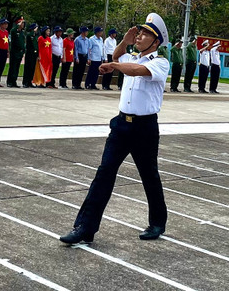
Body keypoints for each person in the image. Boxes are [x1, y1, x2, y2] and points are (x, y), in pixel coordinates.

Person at [59, 13, 171, 245]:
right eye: (139, 33)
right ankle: (85, 228)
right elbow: (119, 56)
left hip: (144, 128)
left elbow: (132, 69)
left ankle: (158, 222)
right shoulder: (130, 56)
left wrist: (114, 64)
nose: (139, 37)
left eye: (145, 35)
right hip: (121, 125)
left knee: (149, 175)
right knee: (104, 173)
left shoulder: (159, 62)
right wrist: (125, 41)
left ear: (156, 41)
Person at [6, 17, 26, 88]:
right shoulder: (14, 31)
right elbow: (13, 31)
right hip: (14, 52)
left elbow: (23, 42)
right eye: (21, 23)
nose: (23, 24)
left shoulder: (21, 33)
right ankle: (10, 82)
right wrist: (18, 25)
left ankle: (14, 81)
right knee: (13, 67)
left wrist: (23, 50)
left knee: (17, 68)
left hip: (20, 53)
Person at [22, 22, 39, 88]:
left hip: (34, 54)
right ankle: (25, 82)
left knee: (32, 68)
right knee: (27, 68)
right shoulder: (30, 35)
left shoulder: (36, 36)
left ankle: (30, 81)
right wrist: (33, 32)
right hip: (29, 53)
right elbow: (32, 42)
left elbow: (36, 45)